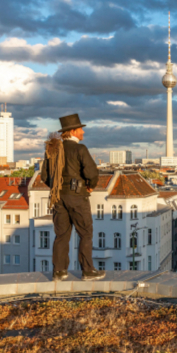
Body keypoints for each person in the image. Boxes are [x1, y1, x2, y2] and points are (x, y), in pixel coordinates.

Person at [41, 113, 105, 282]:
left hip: (58, 198)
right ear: (73, 131)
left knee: (61, 235)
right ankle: (88, 271)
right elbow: (92, 172)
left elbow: (44, 176)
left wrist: (58, 186)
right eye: (80, 130)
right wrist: (90, 185)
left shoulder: (54, 150)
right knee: (85, 233)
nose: (83, 133)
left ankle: (59, 272)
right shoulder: (80, 149)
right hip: (77, 197)